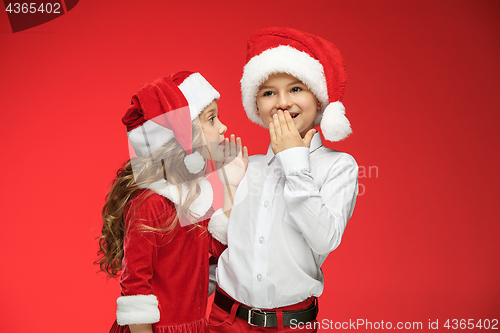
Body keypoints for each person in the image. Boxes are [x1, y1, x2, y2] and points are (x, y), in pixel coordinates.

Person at [208, 27, 359, 332]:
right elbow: (221, 251)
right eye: (268, 93)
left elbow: (324, 238)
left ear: (318, 99)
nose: (281, 102)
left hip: (289, 325)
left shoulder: (339, 166)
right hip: (224, 320)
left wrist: (293, 161)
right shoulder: (246, 165)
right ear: (257, 106)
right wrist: (228, 189)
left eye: (295, 89)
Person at [95, 71, 248, 333]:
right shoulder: (151, 202)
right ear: (182, 135)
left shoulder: (197, 195)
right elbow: (135, 288)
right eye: (211, 119)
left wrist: (230, 186)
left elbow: (225, 254)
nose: (223, 127)